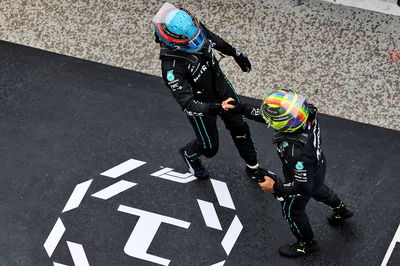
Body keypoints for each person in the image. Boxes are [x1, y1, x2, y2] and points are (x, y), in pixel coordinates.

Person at [228, 89, 353, 257]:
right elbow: (271, 118)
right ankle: (341, 210)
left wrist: (276, 188)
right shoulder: (306, 113)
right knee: (318, 187)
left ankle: (307, 243)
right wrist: (242, 108)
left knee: (292, 211)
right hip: (317, 166)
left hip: (300, 176)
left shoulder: (296, 152)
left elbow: (302, 186)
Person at [152, 2, 267, 180]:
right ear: (172, 43)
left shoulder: (192, 28)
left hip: (220, 85)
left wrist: (235, 53)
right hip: (202, 106)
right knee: (210, 148)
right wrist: (217, 107)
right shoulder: (171, 69)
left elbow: (213, 39)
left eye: (197, 36)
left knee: (240, 126)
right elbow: (188, 104)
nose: (197, 41)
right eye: (191, 42)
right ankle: (189, 155)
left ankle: (253, 167)